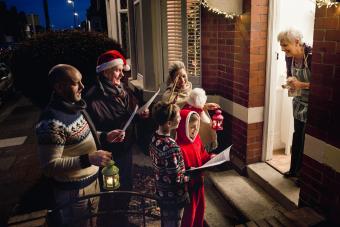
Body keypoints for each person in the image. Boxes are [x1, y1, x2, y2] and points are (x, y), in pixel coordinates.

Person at [36, 64, 121, 226]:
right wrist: (89, 159)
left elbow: (80, 135)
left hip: (91, 183)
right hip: (73, 192)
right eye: (76, 83)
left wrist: (105, 136)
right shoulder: (51, 121)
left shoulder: (73, 107)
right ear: (59, 87)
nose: (83, 86)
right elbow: (49, 166)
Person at [85, 50, 149, 225]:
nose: (122, 74)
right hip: (108, 154)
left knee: (127, 185)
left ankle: (122, 218)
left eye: (122, 70)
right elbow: (90, 130)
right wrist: (106, 136)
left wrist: (141, 114)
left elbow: (132, 111)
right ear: (105, 71)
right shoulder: (93, 97)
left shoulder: (123, 90)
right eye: (118, 70)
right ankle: (111, 221)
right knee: (110, 191)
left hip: (125, 148)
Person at [277, 28, 312, 180]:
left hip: (312, 104)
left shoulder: (311, 56)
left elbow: (323, 86)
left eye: (285, 45)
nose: (283, 49)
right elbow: (291, 75)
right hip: (298, 102)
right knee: (297, 136)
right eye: (282, 46)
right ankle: (294, 169)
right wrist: (290, 82)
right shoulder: (289, 57)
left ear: (297, 41)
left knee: (307, 140)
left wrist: (301, 85)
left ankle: (303, 176)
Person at [162, 61, 220, 150]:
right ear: (172, 80)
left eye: (184, 76)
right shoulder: (169, 94)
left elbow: (193, 105)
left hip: (194, 127)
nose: (182, 80)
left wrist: (205, 106)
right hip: (181, 131)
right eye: (178, 78)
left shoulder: (189, 87)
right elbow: (171, 107)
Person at [149, 101, 189, 227]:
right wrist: (189, 177)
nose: (180, 117)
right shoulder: (171, 147)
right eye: (178, 116)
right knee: (174, 223)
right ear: (169, 123)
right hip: (173, 196)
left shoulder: (154, 137)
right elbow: (176, 179)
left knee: (165, 222)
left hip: (161, 191)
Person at [176, 109, 214, 227]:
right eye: (192, 127)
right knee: (189, 214)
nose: (195, 130)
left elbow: (203, 155)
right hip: (188, 188)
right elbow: (177, 172)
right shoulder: (179, 147)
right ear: (182, 127)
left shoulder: (197, 140)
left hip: (199, 183)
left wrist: (211, 157)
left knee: (200, 209)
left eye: (197, 126)